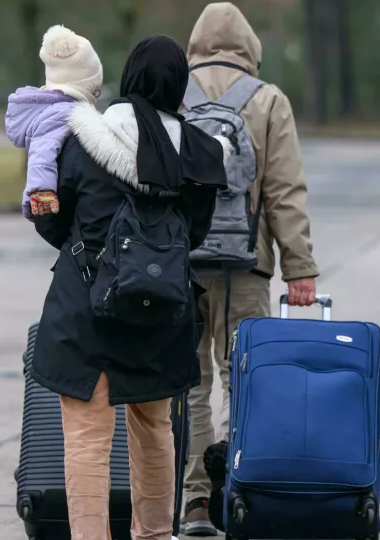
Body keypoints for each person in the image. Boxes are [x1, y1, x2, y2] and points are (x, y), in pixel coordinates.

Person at [32, 34, 229, 540]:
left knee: (87, 437)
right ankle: (155, 535)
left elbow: (51, 220)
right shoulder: (200, 154)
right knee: (155, 428)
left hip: (86, 308)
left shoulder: (84, 138)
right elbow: (195, 235)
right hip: (159, 311)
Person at [179, 3, 320, 536]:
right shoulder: (268, 100)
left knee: (190, 384)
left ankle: (194, 502)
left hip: (179, 264)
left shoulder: (173, 93)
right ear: (249, 46)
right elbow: (285, 190)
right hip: (248, 264)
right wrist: (299, 267)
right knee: (244, 379)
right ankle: (238, 493)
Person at [6, 24, 104, 219]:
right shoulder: (61, 113)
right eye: (95, 89)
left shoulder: (54, 108)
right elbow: (42, 150)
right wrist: (41, 191)